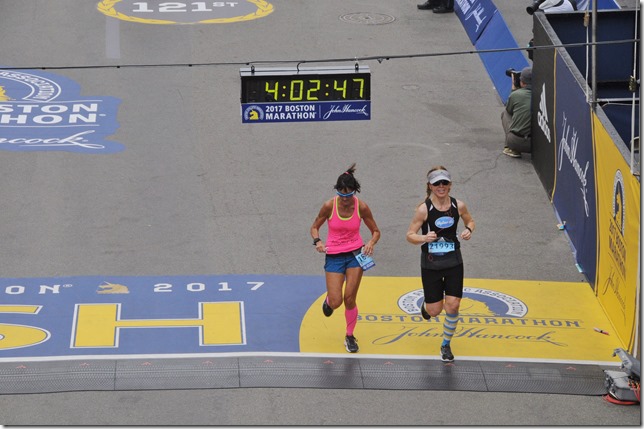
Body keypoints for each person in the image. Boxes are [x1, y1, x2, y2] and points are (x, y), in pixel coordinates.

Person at [405, 166, 474, 362]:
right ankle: (427, 308)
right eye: (437, 183)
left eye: (444, 183)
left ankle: (445, 344)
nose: (441, 186)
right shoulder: (423, 209)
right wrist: (423, 238)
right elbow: (409, 235)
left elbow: (471, 221)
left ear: (450, 185)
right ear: (430, 186)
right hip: (431, 263)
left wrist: (469, 229)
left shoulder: (458, 205)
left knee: (452, 305)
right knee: (435, 310)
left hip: (453, 261)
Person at [310, 163, 381, 353]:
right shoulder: (329, 206)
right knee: (336, 301)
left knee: (350, 298)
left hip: (355, 255)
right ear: (337, 192)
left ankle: (349, 336)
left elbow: (375, 231)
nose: (345, 199)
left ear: (355, 193)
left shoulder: (362, 207)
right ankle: (328, 302)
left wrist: (370, 243)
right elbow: (314, 227)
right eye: (342, 195)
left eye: (349, 195)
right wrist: (317, 241)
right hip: (333, 256)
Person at [501, 66, 532, 158]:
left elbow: (509, 110)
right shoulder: (542, 95)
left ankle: (510, 148)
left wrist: (514, 91)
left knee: (505, 114)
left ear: (522, 82)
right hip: (537, 145)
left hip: (516, 142)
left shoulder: (516, 95)